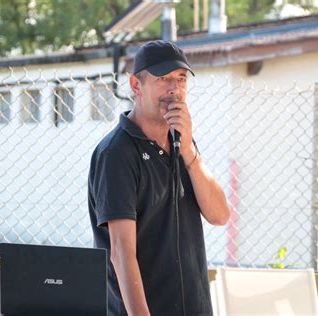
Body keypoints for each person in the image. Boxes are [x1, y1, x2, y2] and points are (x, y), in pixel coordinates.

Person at [88, 40, 230, 316]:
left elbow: (220, 215)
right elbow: (121, 252)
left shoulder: (183, 143)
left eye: (181, 78)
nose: (174, 89)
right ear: (135, 86)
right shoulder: (116, 152)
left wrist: (188, 150)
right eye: (163, 79)